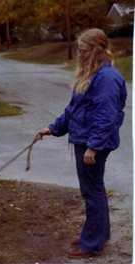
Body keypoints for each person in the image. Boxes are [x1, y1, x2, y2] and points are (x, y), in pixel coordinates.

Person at [39, 28, 127, 258]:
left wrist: (93, 147)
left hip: (92, 144)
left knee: (92, 192)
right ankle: (98, 234)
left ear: (97, 50)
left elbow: (106, 117)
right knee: (94, 189)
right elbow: (74, 109)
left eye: (84, 51)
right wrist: (53, 128)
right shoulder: (93, 74)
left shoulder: (106, 78)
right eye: (79, 51)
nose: (80, 56)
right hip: (86, 140)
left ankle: (92, 244)